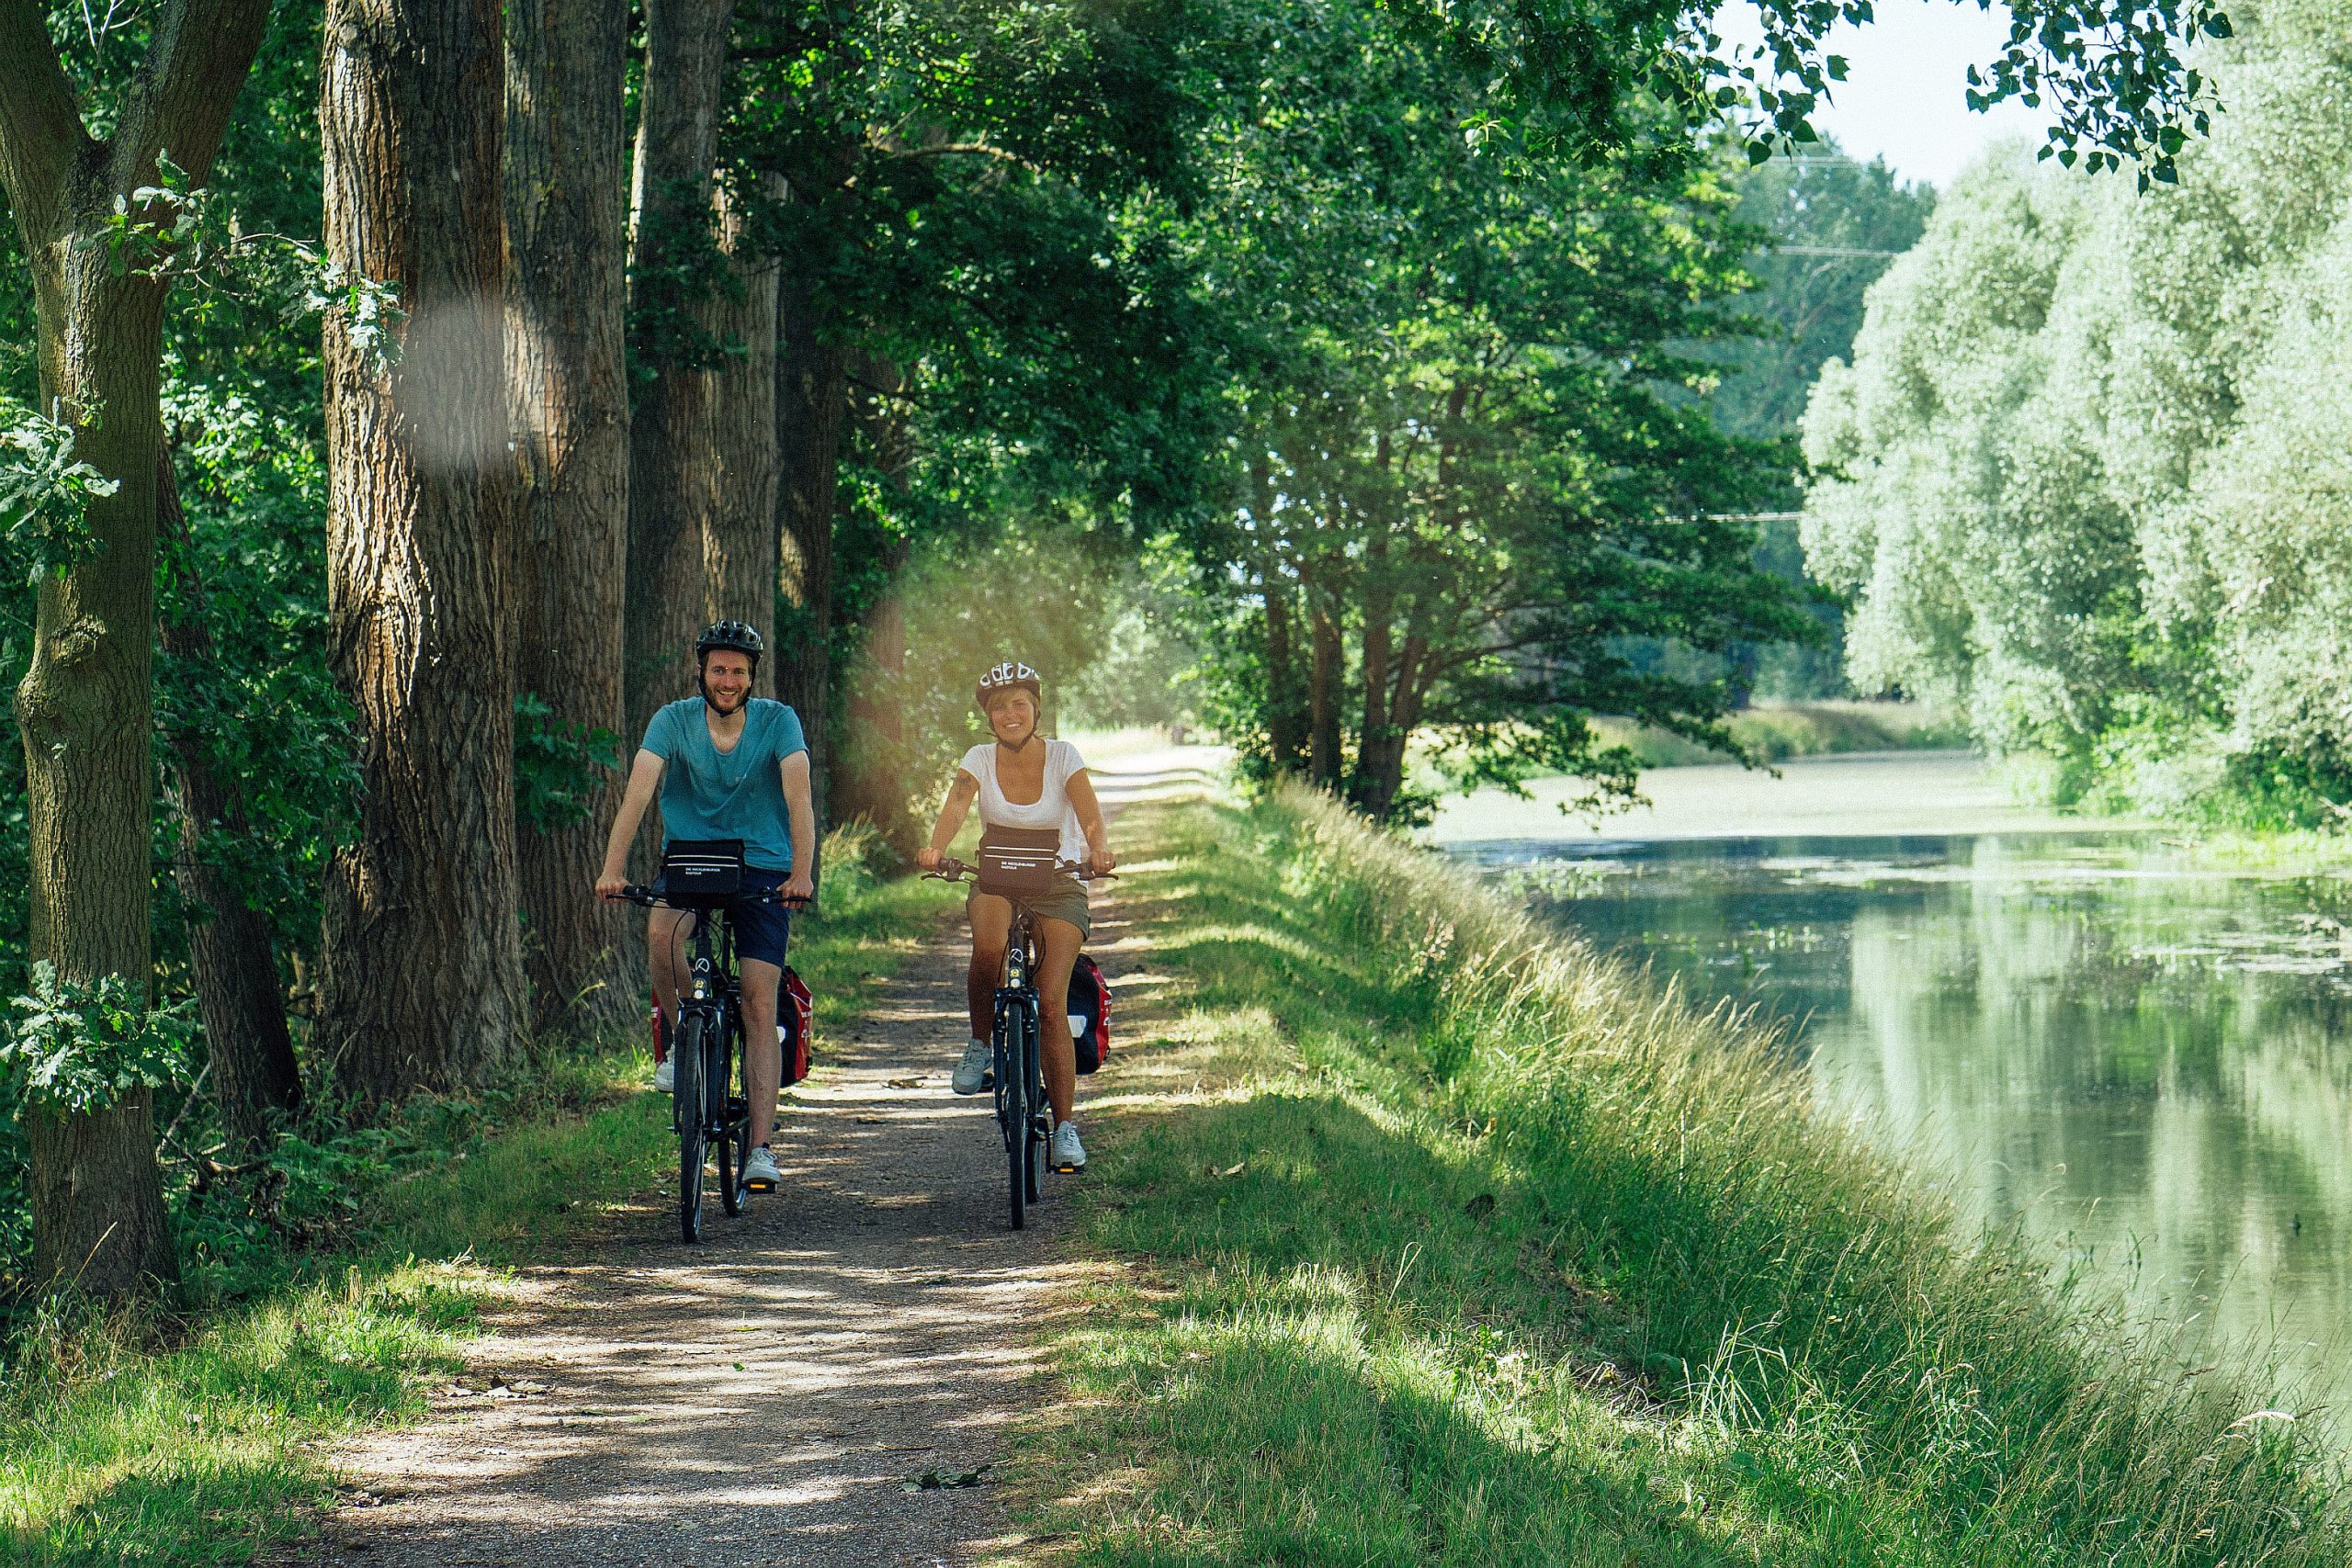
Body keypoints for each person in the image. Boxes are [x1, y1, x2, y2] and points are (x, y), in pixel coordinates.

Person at [595, 621, 815, 1193]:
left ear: (751, 677)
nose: (728, 680)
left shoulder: (778, 721)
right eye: (719, 669)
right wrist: (613, 868)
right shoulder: (672, 721)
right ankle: (681, 1041)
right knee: (661, 936)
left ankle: (760, 1148)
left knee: (759, 1003)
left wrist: (800, 873)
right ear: (702, 671)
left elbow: (798, 797)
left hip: (763, 864)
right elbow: (638, 793)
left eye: (738, 671)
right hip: (691, 858)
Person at [916, 660, 1114, 1171]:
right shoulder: (979, 758)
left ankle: (1065, 1129)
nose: (1010, 714)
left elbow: (1089, 813)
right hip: (997, 878)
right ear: (988, 716)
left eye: (1020, 704)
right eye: (999, 707)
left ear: (1036, 709)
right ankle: (980, 1043)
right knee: (989, 946)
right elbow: (957, 804)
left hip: (1058, 883)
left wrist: (1098, 849)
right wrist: (936, 846)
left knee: (1050, 1001)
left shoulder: (1064, 756)